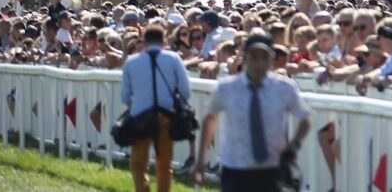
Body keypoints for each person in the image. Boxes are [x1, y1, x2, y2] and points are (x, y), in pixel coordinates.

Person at [195, 33, 311, 191]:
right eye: (254, 56)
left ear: (272, 59)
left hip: (270, 167)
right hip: (235, 166)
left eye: (264, 57)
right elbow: (210, 118)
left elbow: (304, 117)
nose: (259, 62)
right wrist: (201, 158)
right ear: (244, 57)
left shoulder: (284, 88)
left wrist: (294, 144)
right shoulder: (227, 88)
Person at [121, 22, 191, 192]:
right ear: (164, 40)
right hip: (166, 116)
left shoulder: (131, 61)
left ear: (143, 41)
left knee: (138, 164)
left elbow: (125, 96)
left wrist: (136, 104)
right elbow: (185, 91)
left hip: (140, 118)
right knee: (165, 165)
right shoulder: (173, 58)